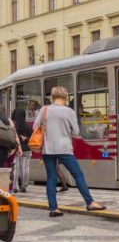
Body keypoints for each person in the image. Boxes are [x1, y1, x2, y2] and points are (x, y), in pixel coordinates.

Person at [34, 87, 106, 217]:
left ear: (52, 97)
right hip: (64, 148)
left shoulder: (44, 110)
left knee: (51, 177)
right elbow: (76, 132)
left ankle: (54, 209)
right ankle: (90, 202)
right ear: (65, 97)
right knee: (77, 174)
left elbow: (35, 127)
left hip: (47, 148)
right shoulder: (69, 111)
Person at [11, 108, 32, 192]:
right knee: (25, 168)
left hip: (17, 149)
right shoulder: (27, 126)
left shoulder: (13, 125)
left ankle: (15, 186)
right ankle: (24, 186)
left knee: (16, 168)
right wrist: (26, 139)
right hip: (27, 149)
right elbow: (32, 137)